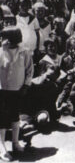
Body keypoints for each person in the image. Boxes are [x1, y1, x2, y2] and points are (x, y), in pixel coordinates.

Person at [0, 27, 34, 161]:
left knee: (15, 115)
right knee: (2, 118)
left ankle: (15, 143)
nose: (1, 40)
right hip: (2, 89)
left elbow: (29, 70)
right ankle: (2, 147)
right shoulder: (1, 51)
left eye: (3, 37)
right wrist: (3, 50)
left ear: (12, 39)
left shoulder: (24, 52)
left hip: (17, 89)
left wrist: (26, 85)